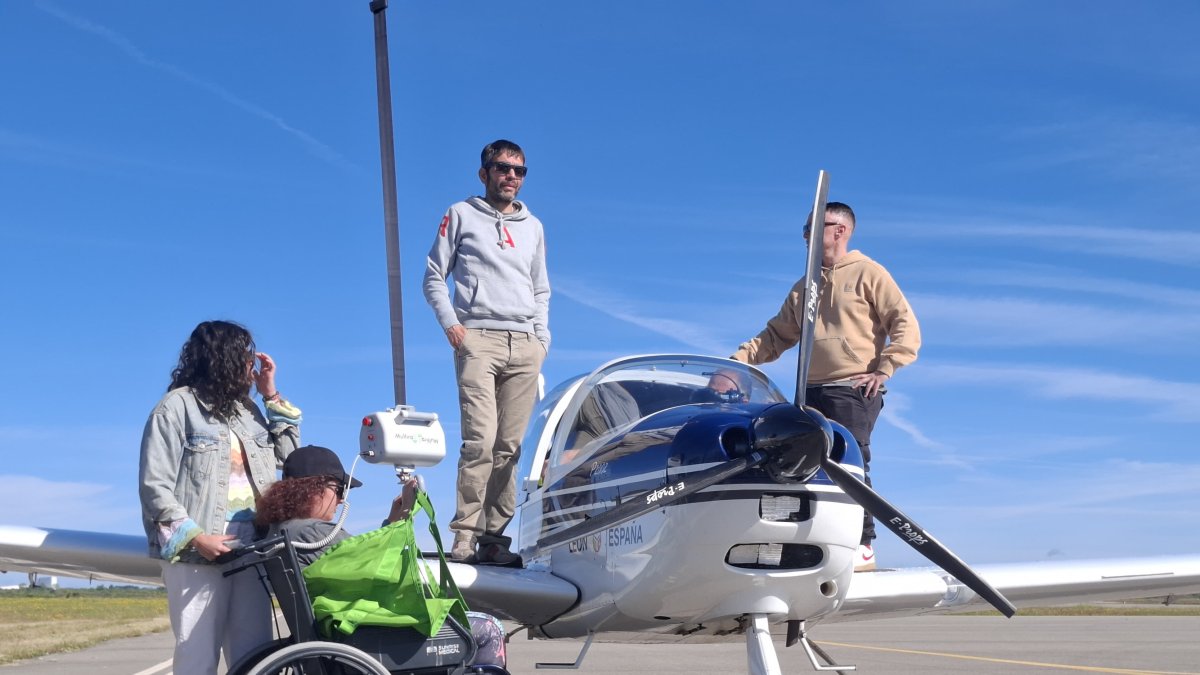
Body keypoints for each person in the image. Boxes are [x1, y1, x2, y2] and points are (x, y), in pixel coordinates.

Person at [731, 202, 921, 572]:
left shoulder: (870, 273)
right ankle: (809, 542)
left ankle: (863, 545)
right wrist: (734, 365)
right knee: (796, 464)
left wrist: (884, 369)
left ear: (840, 231)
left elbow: (905, 325)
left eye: (813, 228)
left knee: (850, 460)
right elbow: (774, 337)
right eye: (804, 230)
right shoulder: (804, 287)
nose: (806, 237)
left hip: (852, 389)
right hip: (809, 394)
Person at [138, 320, 302, 673]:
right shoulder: (174, 409)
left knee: (255, 656)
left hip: (253, 549)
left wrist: (272, 395)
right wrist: (197, 538)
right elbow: (155, 486)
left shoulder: (250, 412)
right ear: (221, 357)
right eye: (243, 355)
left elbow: (291, 459)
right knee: (197, 657)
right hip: (197, 555)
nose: (250, 363)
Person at [255, 445, 507, 669]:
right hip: (362, 638)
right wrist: (407, 514)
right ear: (312, 488)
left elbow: (357, 562)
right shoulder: (313, 532)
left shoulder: (284, 531)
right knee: (488, 628)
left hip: (340, 636)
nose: (342, 499)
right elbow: (376, 567)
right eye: (338, 488)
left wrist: (392, 522)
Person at [423, 139, 550, 565]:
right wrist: (454, 329)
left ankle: (494, 540)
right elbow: (434, 276)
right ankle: (465, 534)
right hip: (478, 339)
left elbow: (541, 288)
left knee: (509, 447)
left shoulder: (534, 226)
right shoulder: (460, 215)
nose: (511, 176)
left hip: (525, 345)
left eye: (519, 170)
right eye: (502, 168)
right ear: (485, 173)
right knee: (480, 440)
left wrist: (541, 339)